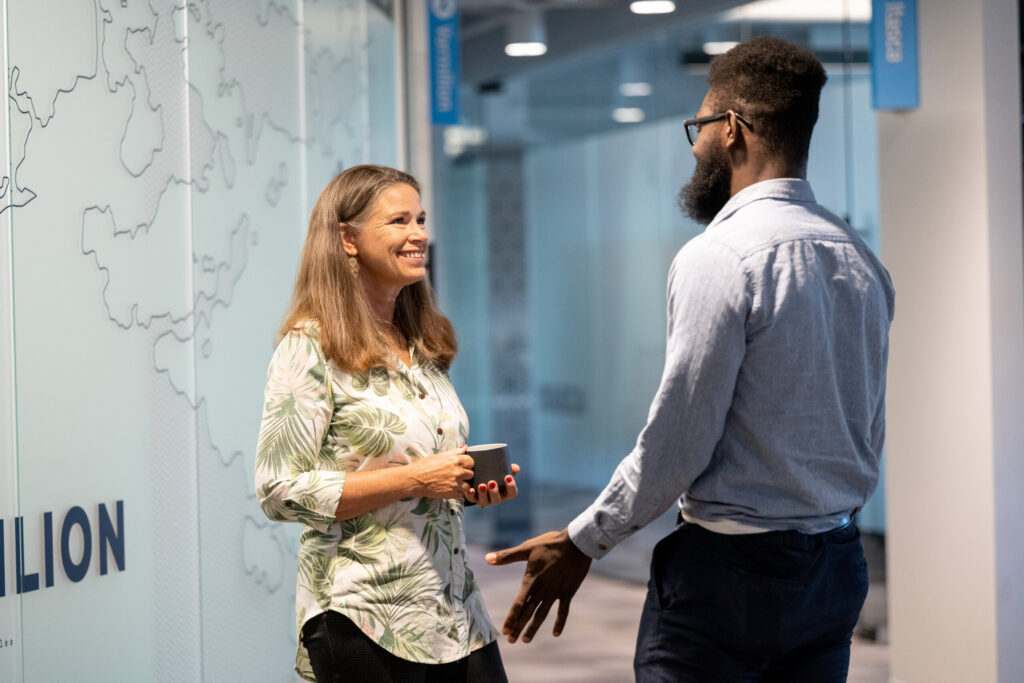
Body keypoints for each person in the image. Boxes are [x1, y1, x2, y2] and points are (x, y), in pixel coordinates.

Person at [486, 36, 895, 682]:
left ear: (732, 130)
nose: (697, 144)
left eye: (699, 126)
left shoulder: (720, 257)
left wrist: (583, 538)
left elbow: (679, 441)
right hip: (837, 568)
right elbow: (868, 429)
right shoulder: (861, 262)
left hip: (731, 580)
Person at [255, 164, 518, 683]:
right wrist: (418, 479)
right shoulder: (308, 346)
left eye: (420, 219)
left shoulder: (421, 344)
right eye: (399, 221)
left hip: (454, 610)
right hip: (363, 618)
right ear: (347, 239)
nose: (419, 233)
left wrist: (465, 485)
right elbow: (278, 490)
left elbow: (422, 472)